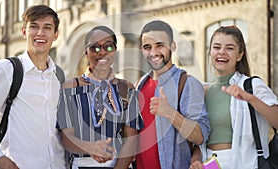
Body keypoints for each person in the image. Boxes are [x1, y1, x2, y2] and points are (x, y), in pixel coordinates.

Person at [0, 4, 66, 169]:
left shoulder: (57, 76)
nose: (40, 33)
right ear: (24, 32)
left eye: (47, 28)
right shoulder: (7, 69)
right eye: (34, 26)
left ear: (55, 35)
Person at [189, 26, 278, 169]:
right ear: (210, 52)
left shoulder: (252, 85)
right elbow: (200, 141)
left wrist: (250, 98)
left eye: (229, 48)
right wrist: (195, 160)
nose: (222, 52)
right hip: (210, 164)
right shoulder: (202, 91)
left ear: (239, 55)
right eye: (216, 47)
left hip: (245, 163)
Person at [57, 25, 144, 169]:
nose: (102, 52)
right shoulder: (70, 88)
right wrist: (90, 147)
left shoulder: (126, 89)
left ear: (115, 50)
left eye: (108, 47)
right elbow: (66, 137)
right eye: (95, 48)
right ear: (86, 51)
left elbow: (131, 139)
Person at [135, 20, 210, 169]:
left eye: (160, 45)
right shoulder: (140, 85)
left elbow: (200, 136)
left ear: (172, 46)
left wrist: (169, 113)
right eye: (147, 47)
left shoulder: (188, 83)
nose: (154, 52)